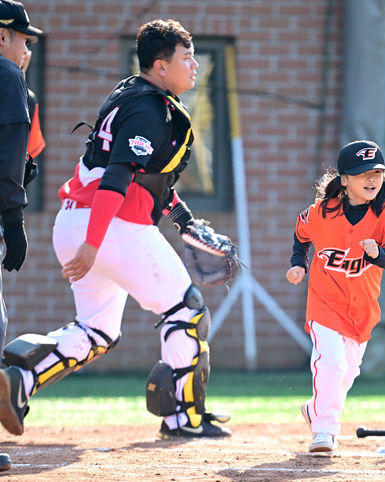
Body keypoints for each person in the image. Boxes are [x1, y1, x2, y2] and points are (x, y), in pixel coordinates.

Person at [0, 18, 232, 440]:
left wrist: (183, 223)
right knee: (186, 310)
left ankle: (20, 375)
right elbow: (117, 178)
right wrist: (93, 244)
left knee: (97, 330)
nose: (195, 65)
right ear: (160, 66)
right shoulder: (148, 107)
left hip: (75, 218)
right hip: (108, 226)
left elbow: (146, 181)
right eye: (187, 57)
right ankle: (184, 417)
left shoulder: (130, 94)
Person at [286, 140, 385, 452]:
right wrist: (298, 263)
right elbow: (301, 234)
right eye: (363, 172)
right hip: (325, 304)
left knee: (349, 371)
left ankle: (315, 410)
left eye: (377, 172)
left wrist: (378, 253)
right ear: (344, 181)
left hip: (362, 310)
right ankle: (324, 430)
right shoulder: (321, 213)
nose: (372, 178)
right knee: (333, 364)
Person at [0, 0, 42, 472]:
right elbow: (11, 157)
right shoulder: (9, 78)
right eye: (22, 38)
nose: (27, 47)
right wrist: (14, 219)